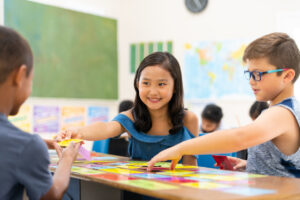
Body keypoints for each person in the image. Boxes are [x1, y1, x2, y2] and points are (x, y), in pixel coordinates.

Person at [148, 32, 300, 178]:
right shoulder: (285, 110)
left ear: (287, 76)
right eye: (249, 74)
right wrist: (250, 164)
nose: (251, 81)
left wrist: (180, 148)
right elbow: (287, 167)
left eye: (258, 74)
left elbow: (239, 138)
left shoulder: (281, 113)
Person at [57, 52, 199, 165]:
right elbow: (106, 128)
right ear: (137, 84)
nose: (153, 91)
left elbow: (190, 169)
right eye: (146, 83)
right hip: (136, 190)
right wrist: (79, 133)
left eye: (161, 84)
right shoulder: (131, 117)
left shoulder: (189, 119)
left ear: (175, 86)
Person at [0, 26, 81, 200]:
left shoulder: (24, 145)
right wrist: (67, 160)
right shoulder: (27, 146)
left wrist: (37, 143)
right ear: (20, 76)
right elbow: (51, 196)